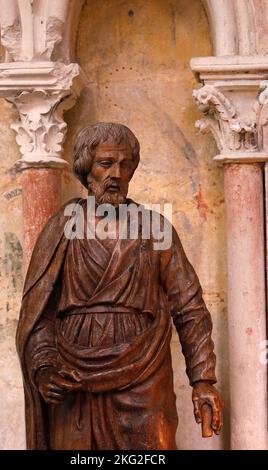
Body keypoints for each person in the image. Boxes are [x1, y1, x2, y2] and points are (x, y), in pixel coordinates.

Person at [16, 122, 224, 450]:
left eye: (125, 164)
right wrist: (44, 368)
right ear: (87, 167)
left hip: (144, 375)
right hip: (75, 378)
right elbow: (39, 316)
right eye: (106, 163)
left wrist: (203, 380)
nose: (116, 173)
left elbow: (190, 307)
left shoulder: (155, 229)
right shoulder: (61, 229)